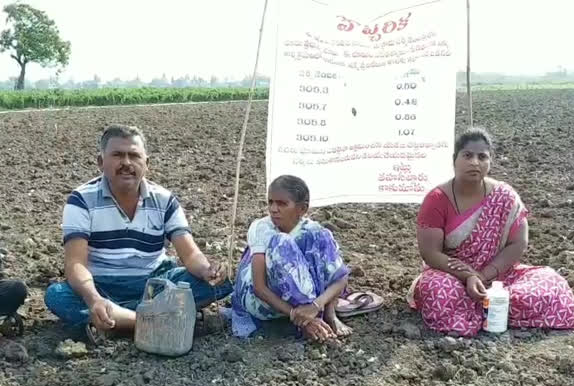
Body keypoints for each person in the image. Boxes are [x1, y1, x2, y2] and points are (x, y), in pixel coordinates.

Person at [44, 125, 232, 341]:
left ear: (146, 164)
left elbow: (190, 254)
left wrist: (208, 270)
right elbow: (75, 264)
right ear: (100, 162)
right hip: (103, 286)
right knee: (57, 296)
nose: (126, 163)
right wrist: (94, 298)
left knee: (223, 282)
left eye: (134, 156)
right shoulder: (81, 200)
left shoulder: (164, 200)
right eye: (117, 155)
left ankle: (118, 322)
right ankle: (158, 320)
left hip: (154, 285)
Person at [407, 128, 574, 336]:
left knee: (552, 285)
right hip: (450, 275)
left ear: (490, 162)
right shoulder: (436, 199)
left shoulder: (504, 196)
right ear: (454, 159)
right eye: (467, 155)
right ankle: (494, 311)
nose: (474, 162)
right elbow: (431, 253)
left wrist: (483, 275)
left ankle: (486, 308)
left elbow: (518, 243)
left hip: (497, 276)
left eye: (482, 157)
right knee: (438, 292)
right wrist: (468, 276)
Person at [230, 175, 352, 342]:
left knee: (321, 238)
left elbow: (340, 278)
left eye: (281, 204)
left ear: (302, 209)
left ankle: (328, 314)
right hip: (261, 300)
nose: (273, 209)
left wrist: (315, 306)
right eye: (270, 202)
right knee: (282, 242)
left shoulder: (313, 232)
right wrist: (299, 316)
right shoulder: (262, 228)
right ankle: (308, 321)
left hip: (309, 304)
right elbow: (259, 288)